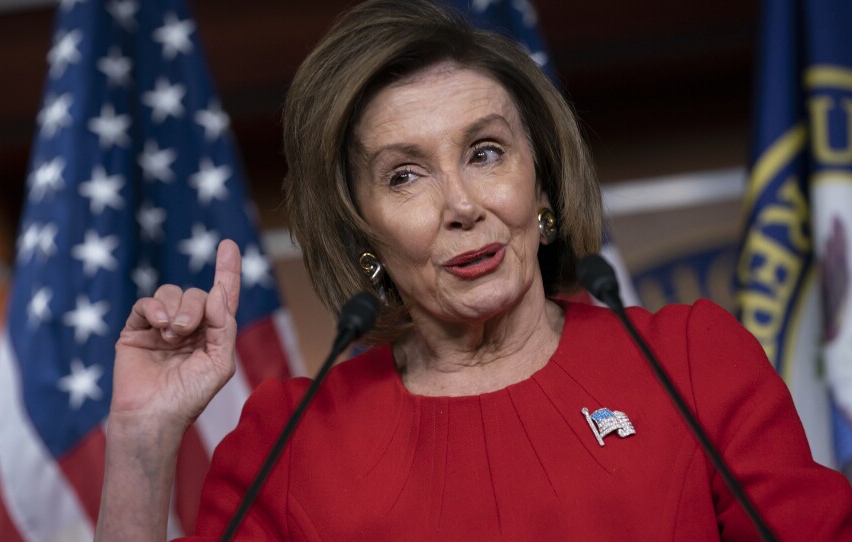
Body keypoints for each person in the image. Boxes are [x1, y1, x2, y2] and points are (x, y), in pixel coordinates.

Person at [95, 0, 852, 540]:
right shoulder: (288, 442)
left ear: (543, 182)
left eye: (485, 152)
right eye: (404, 176)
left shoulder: (690, 363)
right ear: (359, 228)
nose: (461, 205)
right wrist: (141, 439)